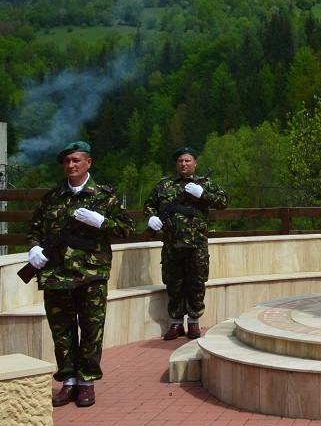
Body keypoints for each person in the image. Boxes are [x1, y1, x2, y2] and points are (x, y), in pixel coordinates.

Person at [25, 141, 134, 408]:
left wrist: (101, 221)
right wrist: (34, 248)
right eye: (67, 161)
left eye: (76, 160)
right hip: (56, 275)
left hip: (91, 275)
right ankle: (68, 380)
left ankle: (86, 382)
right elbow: (34, 229)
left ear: (88, 163)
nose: (71, 165)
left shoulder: (104, 197)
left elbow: (127, 229)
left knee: (91, 329)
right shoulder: (52, 197)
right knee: (61, 331)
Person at [144, 146, 229, 340]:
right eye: (180, 161)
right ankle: (175, 323)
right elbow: (149, 205)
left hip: (196, 246)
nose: (184, 164)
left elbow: (224, 202)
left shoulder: (204, 184)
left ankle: (193, 322)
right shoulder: (164, 185)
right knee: (173, 283)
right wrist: (151, 218)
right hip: (172, 245)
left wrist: (203, 194)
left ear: (195, 163)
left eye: (188, 160)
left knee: (196, 283)